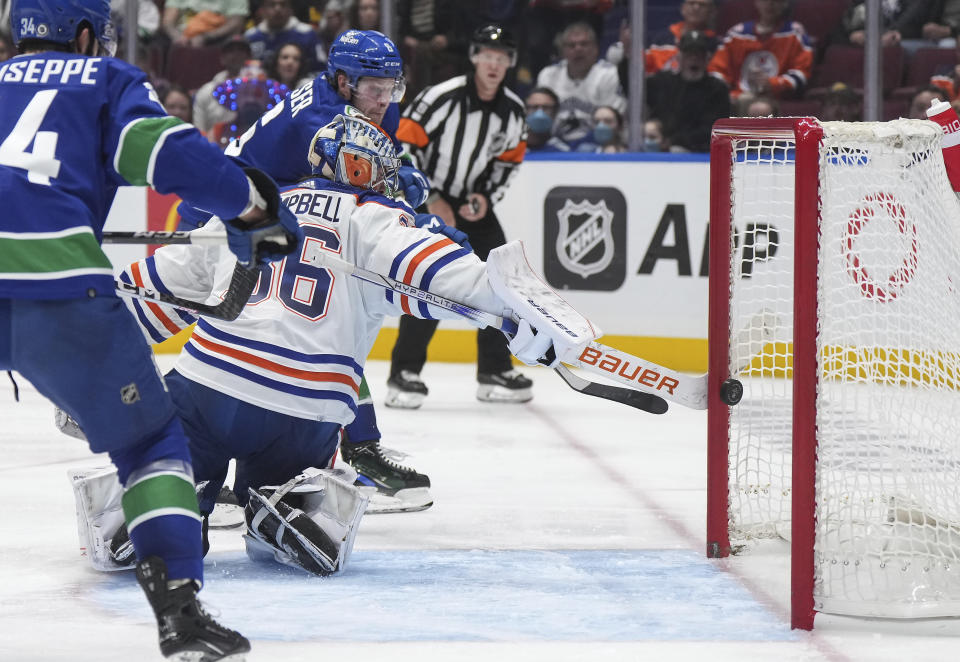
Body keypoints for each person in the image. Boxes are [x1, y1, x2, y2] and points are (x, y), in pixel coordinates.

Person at [74, 113, 590, 580]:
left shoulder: (254, 207)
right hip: (307, 411)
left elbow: (163, 287)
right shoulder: (376, 219)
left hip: (210, 384)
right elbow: (440, 274)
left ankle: (157, 507)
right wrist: (515, 313)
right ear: (363, 169)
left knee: (168, 455)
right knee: (290, 480)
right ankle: (285, 509)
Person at [0, 0, 301, 658]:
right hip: (57, 289)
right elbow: (163, 152)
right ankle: (180, 614)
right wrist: (251, 208)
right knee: (152, 448)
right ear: (84, 33)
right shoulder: (104, 79)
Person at [186, 29, 436, 512]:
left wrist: (403, 178)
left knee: (331, 322)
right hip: (223, 214)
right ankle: (195, 458)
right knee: (311, 328)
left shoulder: (366, 99)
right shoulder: (322, 119)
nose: (384, 99)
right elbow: (384, 195)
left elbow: (382, 176)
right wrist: (412, 193)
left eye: (392, 88)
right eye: (374, 89)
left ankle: (342, 447)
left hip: (268, 210)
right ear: (342, 81)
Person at [386, 24, 530, 408]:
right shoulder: (442, 98)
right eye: (488, 56)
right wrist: (430, 196)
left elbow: (508, 162)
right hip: (426, 196)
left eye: (502, 58)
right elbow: (399, 144)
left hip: (472, 200)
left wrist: (484, 197)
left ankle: (494, 369)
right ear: (474, 58)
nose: (494, 64)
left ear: (510, 63)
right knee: (430, 280)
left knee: (503, 278)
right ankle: (405, 373)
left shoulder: (513, 110)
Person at [535, 21, 627, 150]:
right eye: (571, 45)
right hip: (554, 146)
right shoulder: (549, 75)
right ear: (563, 51)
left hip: (597, 147)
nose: (578, 49)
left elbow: (612, 123)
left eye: (584, 44)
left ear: (596, 48)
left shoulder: (609, 75)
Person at [707, 0, 813, 102]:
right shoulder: (737, 34)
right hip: (739, 96)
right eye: (765, 0)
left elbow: (802, 72)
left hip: (776, 97)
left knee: (759, 109)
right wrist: (722, 91)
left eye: (776, 0)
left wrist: (775, 84)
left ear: (784, 4)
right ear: (757, 2)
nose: (770, 4)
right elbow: (717, 69)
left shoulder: (795, 33)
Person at [646, 30, 730, 154]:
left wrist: (674, 141)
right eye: (689, 54)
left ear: (707, 59)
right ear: (679, 58)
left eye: (698, 54)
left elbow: (714, 130)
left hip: (701, 152)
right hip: (664, 146)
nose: (694, 59)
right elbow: (633, 89)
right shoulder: (664, 82)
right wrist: (627, 57)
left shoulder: (717, 89)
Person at [193, 34, 252, 135]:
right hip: (214, 147)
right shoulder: (206, 91)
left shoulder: (259, 89)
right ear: (222, 58)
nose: (236, 55)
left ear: (249, 58)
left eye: (241, 51)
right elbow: (199, 131)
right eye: (231, 51)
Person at [244, 0, 321, 71]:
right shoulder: (251, 36)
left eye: (283, 5)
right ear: (262, 10)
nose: (278, 9)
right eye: (272, 5)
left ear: (291, 9)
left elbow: (319, 66)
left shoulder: (306, 33)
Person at [161, 0, 247, 48]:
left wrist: (205, 37)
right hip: (181, 37)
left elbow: (236, 23)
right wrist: (177, 36)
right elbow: (168, 22)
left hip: (216, 39)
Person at [525, 86, 570, 153]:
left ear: (555, 112)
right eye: (534, 107)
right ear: (525, 110)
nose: (539, 114)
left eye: (546, 108)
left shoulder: (562, 152)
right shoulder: (511, 147)